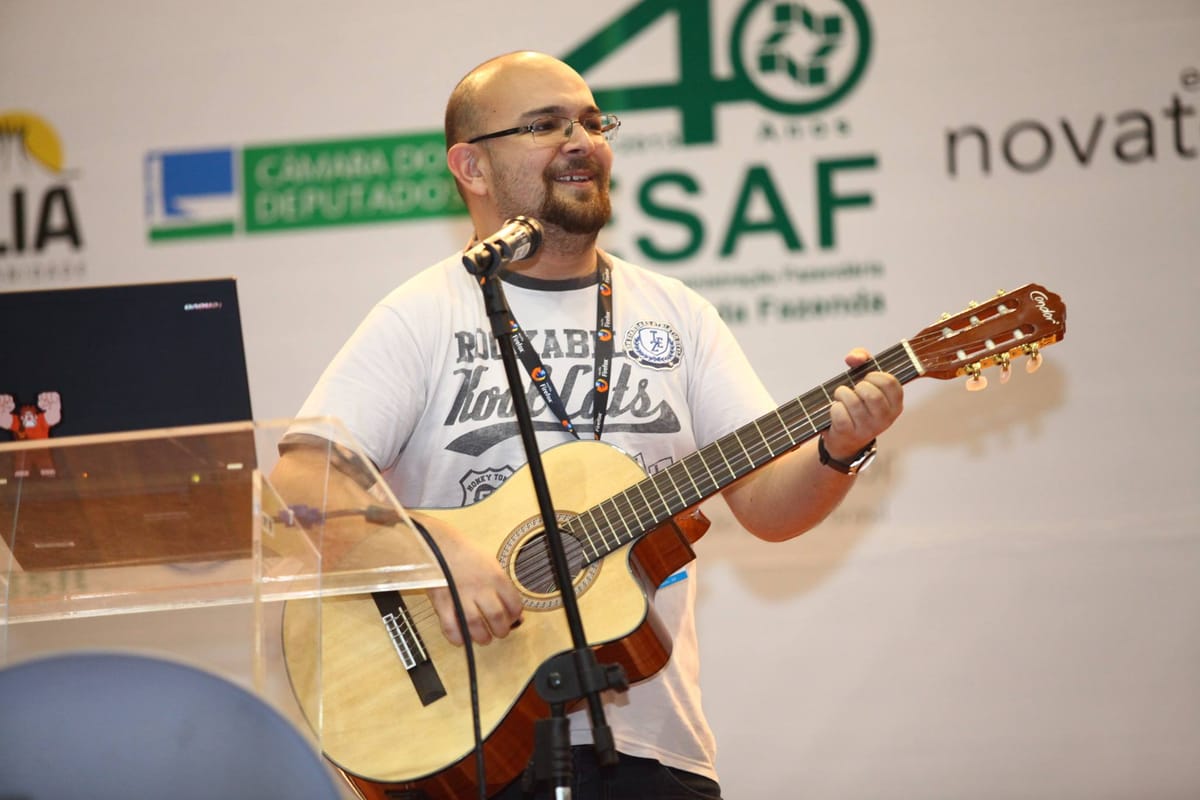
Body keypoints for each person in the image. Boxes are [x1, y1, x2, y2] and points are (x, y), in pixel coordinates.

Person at [280, 51, 903, 799]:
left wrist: (841, 449)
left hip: (649, 746)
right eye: (546, 125)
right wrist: (435, 549)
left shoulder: (678, 313)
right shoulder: (423, 314)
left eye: (590, 121)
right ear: (471, 168)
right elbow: (298, 483)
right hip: (463, 740)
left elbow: (769, 507)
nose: (582, 140)